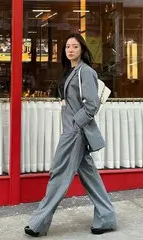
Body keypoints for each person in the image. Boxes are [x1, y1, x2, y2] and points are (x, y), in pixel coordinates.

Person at [24, 33, 117, 237]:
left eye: (75, 46)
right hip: (73, 131)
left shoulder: (85, 72)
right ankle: (107, 216)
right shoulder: (72, 71)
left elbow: (92, 104)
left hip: (74, 132)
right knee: (90, 176)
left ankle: (38, 222)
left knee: (58, 174)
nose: (70, 50)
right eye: (67, 47)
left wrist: (76, 122)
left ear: (82, 49)